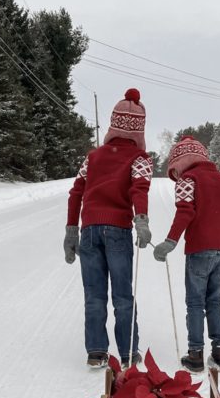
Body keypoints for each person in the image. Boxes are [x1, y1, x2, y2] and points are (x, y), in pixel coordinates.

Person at [64, 88, 153, 370]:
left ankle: (97, 351)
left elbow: (76, 192)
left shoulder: (93, 157)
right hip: (117, 231)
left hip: (89, 230)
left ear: (113, 125)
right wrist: (141, 219)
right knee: (123, 295)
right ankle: (127, 353)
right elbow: (140, 188)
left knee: (95, 293)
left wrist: (71, 230)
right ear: (139, 130)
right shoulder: (140, 158)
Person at [153, 136, 220, 373]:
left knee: (195, 302)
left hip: (199, 250)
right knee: (214, 300)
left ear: (181, 163)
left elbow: (185, 211)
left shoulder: (189, 179)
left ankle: (195, 355)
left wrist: (170, 241)